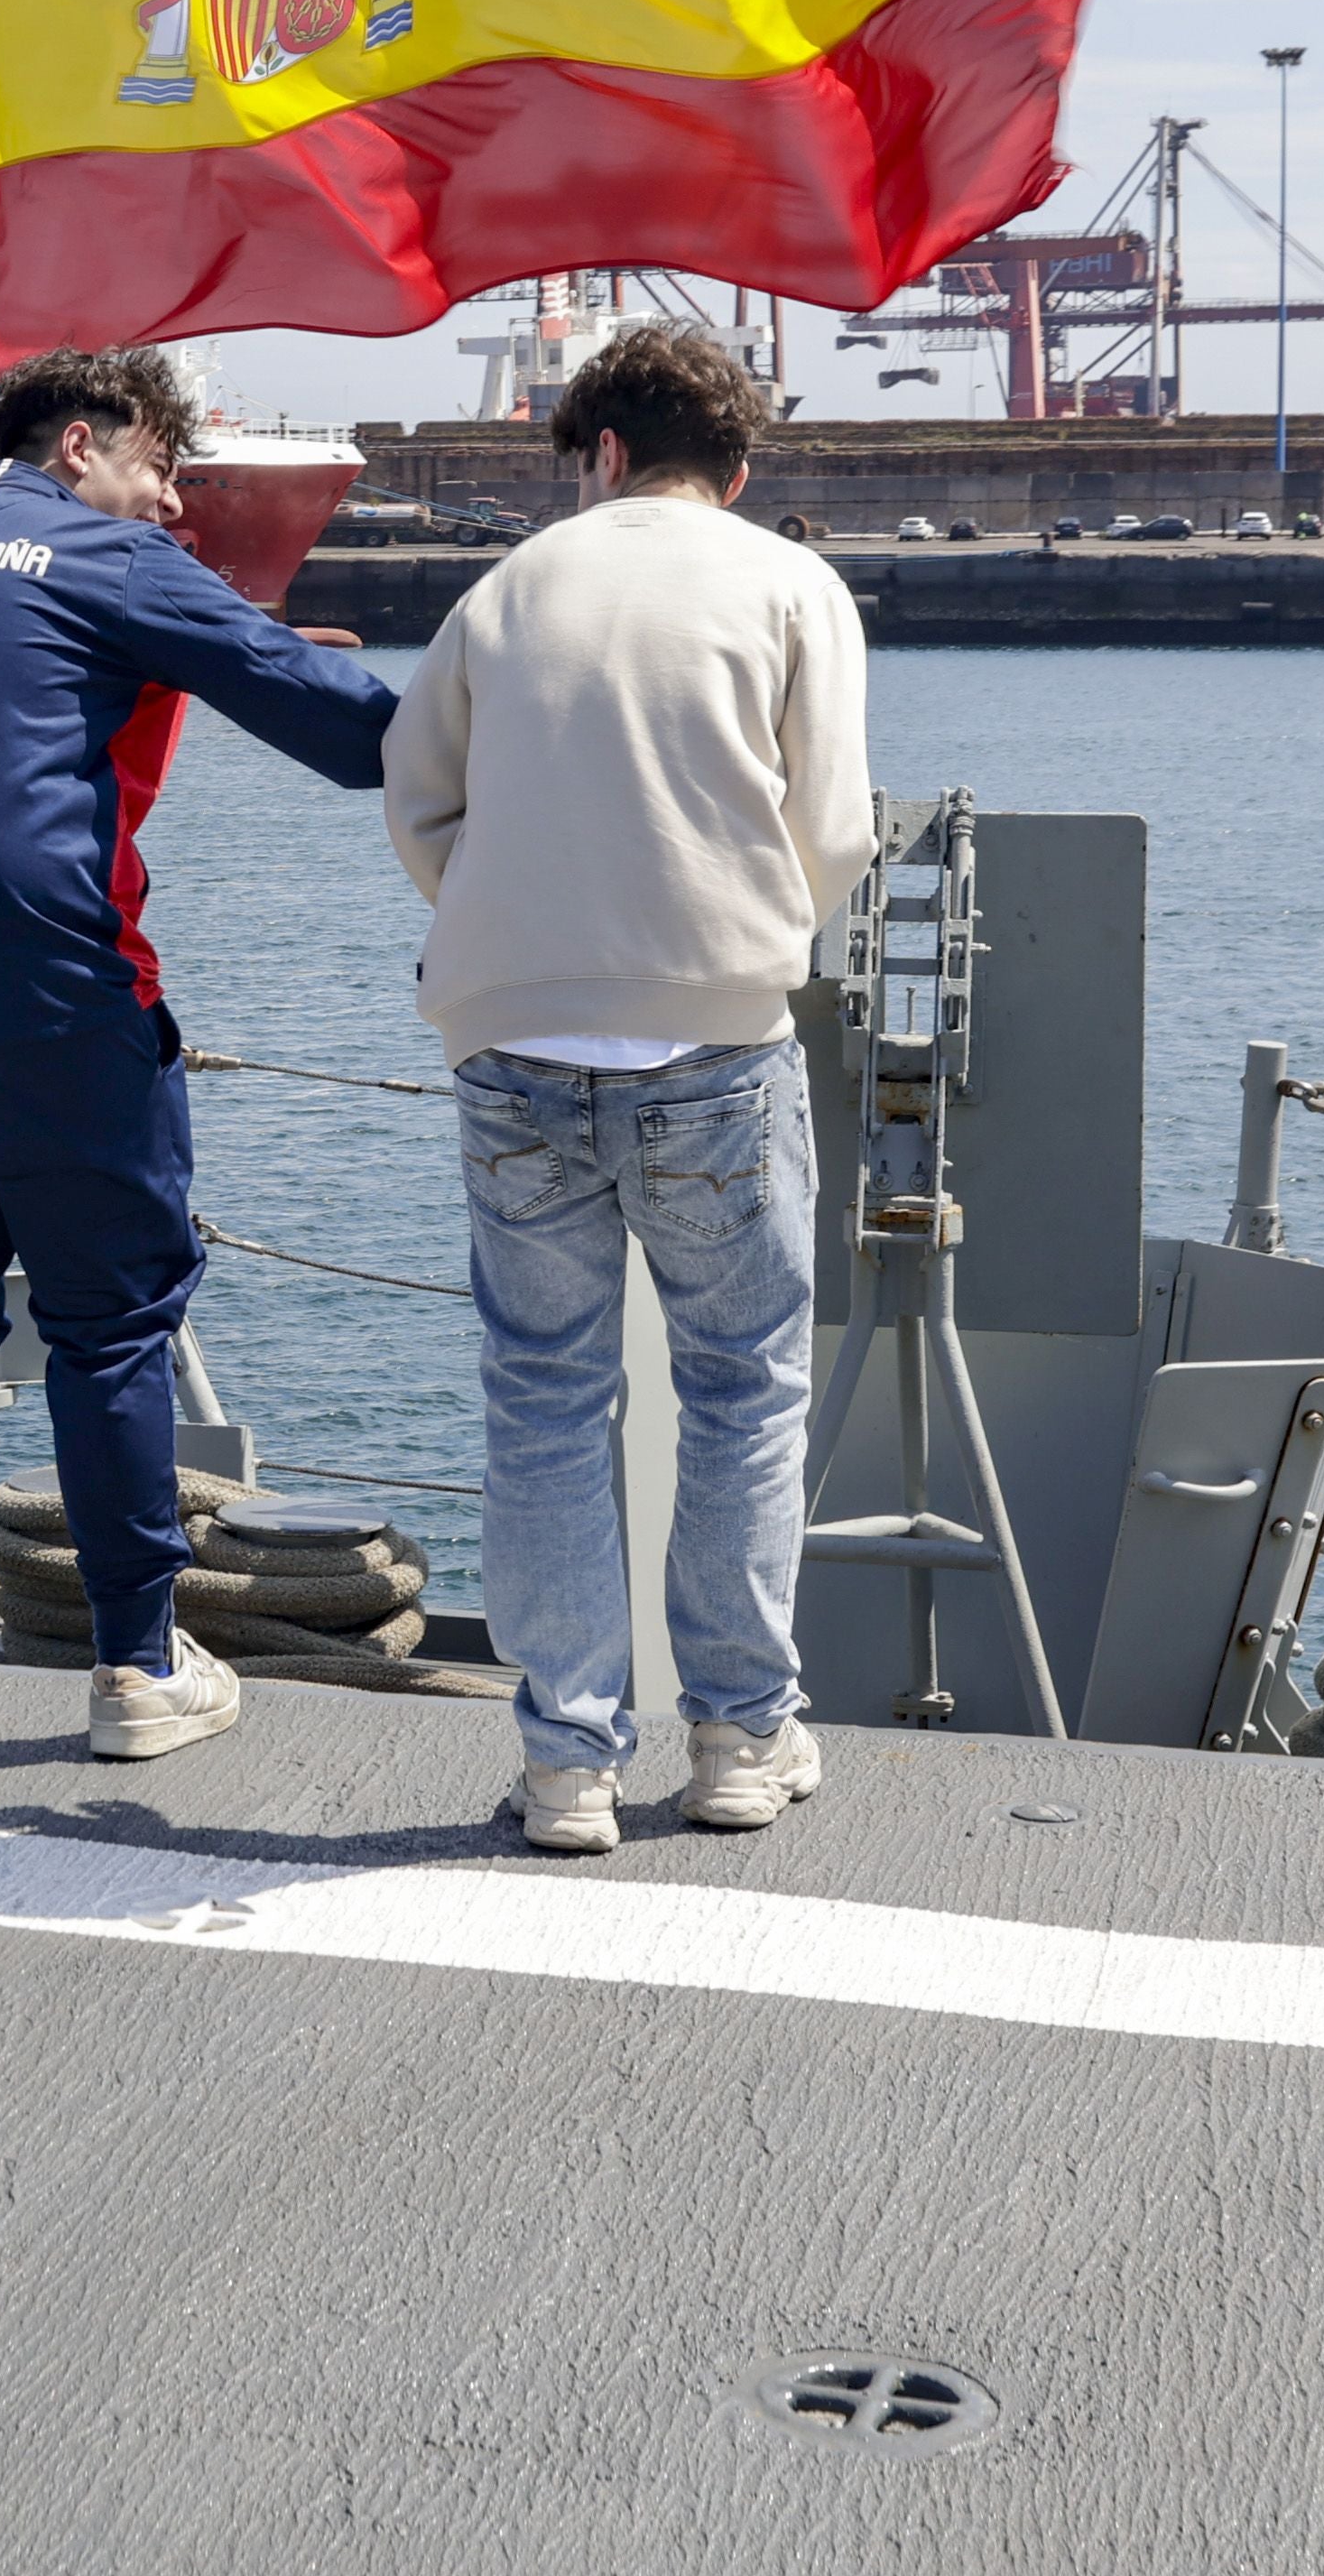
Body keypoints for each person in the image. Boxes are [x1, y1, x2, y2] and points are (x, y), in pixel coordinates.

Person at [0, 346, 394, 1762]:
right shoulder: (104, 555)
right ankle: (134, 1668)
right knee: (110, 1332)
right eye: (161, 468)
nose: (171, 504)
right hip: (57, 1010)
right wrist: (492, 742)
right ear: (81, 444)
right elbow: (333, 721)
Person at [382, 323, 872, 1852]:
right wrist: (739, 939)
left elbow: (417, 796)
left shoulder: (504, 591)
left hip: (512, 1035)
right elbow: (835, 829)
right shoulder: (791, 585)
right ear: (738, 467)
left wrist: (518, 926)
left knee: (543, 1394)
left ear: (598, 452)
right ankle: (739, 1740)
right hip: (714, 1036)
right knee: (742, 1385)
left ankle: (566, 1763)